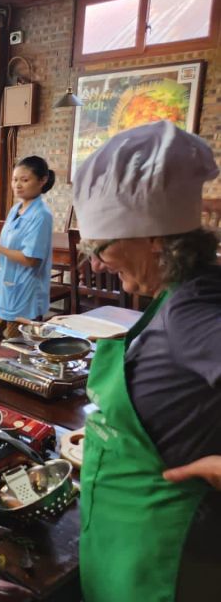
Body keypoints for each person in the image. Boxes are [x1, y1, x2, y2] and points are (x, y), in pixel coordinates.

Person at [71, 120, 221, 602]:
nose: (95, 264)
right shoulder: (180, 292)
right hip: (126, 536)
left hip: (163, 557)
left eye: (102, 246)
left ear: (156, 237)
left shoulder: (193, 312)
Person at [0, 156, 56, 344]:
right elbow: (7, 249)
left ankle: (7, 372)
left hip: (25, 292)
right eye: (15, 179)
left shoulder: (41, 216)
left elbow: (30, 259)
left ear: (42, 181)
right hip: (4, 288)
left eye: (25, 180)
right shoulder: (15, 209)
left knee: (15, 346)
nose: (18, 185)